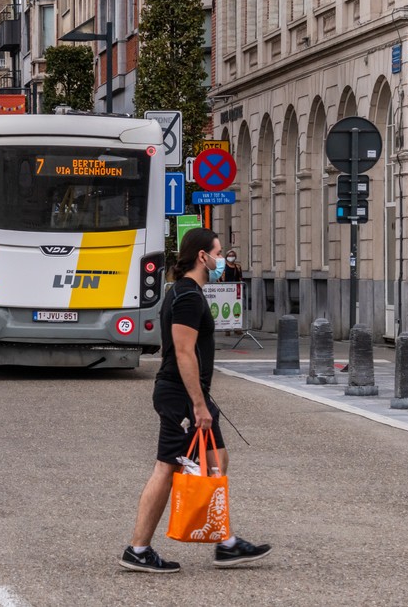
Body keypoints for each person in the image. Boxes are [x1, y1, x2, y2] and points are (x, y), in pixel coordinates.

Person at [120, 228, 270, 573]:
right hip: (181, 395)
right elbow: (184, 352)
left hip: (189, 394)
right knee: (167, 467)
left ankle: (226, 542)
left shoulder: (186, 293)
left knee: (218, 458)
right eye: (218, 253)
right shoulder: (187, 296)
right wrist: (199, 405)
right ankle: (138, 549)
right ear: (203, 256)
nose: (222, 259)